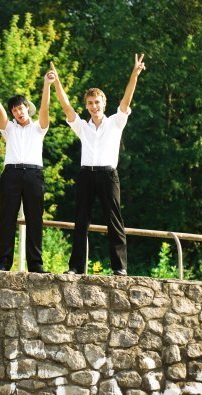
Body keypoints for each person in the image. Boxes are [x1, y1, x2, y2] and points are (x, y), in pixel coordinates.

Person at [50, 54, 146, 276]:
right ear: (86, 106)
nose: (94, 106)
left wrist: (135, 74)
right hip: (86, 175)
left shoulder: (115, 122)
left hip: (108, 175)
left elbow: (126, 100)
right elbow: (66, 106)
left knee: (114, 220)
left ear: (104, 103)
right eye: (90, 103)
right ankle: (76, 267)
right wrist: (57, 83)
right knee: (81, 221)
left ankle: (119, 267)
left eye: (97, 102)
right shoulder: (82, 127)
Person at [0, 71, 54, 273]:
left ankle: (35, 264)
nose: (18, 112)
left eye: (21, 108)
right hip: (11, 174)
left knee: (35, 219)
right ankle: (3, 262)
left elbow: (45, 108)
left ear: (27, 108)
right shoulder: (9, 128)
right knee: (7, 218)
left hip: (34, 174)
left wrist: (47, 84)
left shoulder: (39, 127)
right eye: (15, 110)